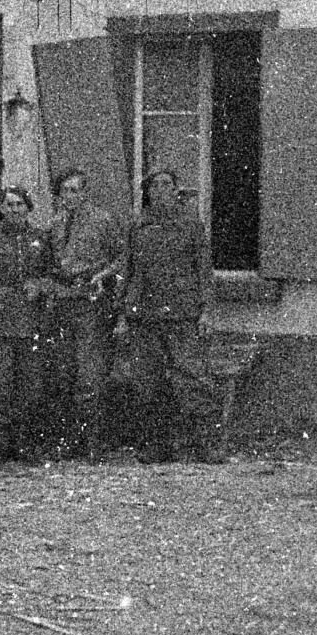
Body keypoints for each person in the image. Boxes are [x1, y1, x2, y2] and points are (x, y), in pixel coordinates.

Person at [113, 169, 212, 462]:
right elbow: (128, 272)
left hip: (183, 315)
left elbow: (203, 270)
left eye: (166, 185)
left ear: (176, 190)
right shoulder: (138, 226)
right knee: (149, 383)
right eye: (154, 186)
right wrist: (122, 315)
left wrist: (206, 310)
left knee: (193, 379)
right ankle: (157, 445)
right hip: (145, 316)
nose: (160, 191)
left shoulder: (191, 225)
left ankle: (203, 444)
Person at [0, 185, 50, 467]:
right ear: (2, 208)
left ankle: (25, 444)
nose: (14, 210)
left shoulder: (41, 238)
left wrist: (38, 285)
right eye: (9, 205)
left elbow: (52, 274)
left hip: (31, 318)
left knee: (30, 386)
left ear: (28, 208)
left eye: (19, 205)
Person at [47, 167, 125, 461]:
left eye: (76, 190)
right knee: (65, 372)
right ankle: (72, 440)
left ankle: (94, 442)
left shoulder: (102, 221)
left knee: (89, 374)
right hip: (64, 304)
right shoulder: (54, 225)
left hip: (92, 304)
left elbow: (122, 258)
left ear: (85, 192)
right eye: (65, 190)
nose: (71, 196)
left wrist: (102, 274)